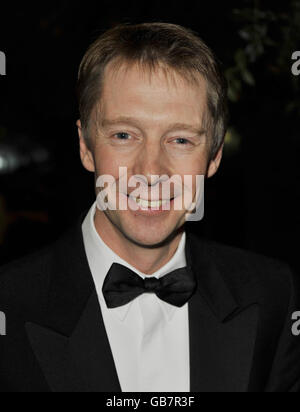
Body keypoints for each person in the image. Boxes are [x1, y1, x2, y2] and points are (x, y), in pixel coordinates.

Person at [0, 22, 299, 393]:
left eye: (180, 139)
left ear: (214, 157)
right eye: (124, 135)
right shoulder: (9, 306)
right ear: (85, 146)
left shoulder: (273, 295)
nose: (151, 172)